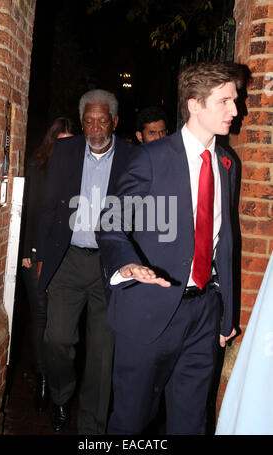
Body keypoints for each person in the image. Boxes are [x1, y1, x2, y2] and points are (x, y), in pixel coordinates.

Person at [97, 62, 243, 435]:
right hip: (150, 310)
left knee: (192, 422)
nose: (235, 110)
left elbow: (225, 242)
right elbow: (111, 224)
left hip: (204, 313)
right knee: (131, 421)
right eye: (225, 101)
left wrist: (225, 315)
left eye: (235, 100)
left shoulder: (227, 163)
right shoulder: (149, 158)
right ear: (194, 104)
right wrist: (129, 265)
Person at [36, 89, 135, 434]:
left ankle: (92, 429)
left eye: (102, 120)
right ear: (82, 123)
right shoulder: (65, 151)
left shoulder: (132, 157)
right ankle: (62, 396)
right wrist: (39, 256)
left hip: (110, 265)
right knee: (57, 340)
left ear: (114, 122)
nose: (95, 128)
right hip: (68, 261)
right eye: (89, 121)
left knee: (102, 355)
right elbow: (49, 207)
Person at [21, 117, 74, 413]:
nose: (65, 148)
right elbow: (28, 209)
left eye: (70, 142)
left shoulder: (78, 172)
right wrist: (30, 250)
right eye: (60, 141)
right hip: (36, 253)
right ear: (51, 141)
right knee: (40, 314)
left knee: (59, 323)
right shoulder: (37, 168)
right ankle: (41, 379)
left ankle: (57, 382)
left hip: (66, 256)